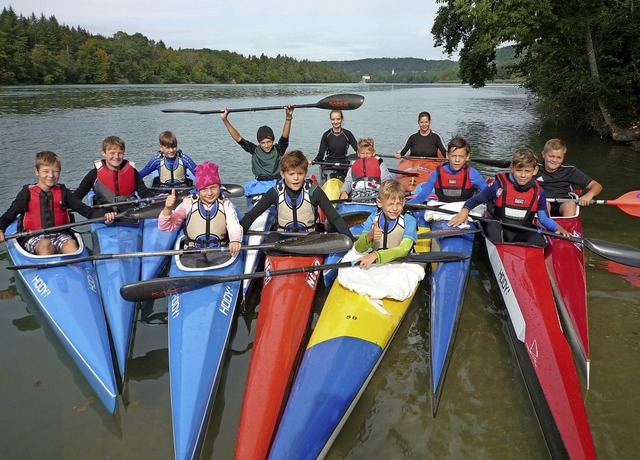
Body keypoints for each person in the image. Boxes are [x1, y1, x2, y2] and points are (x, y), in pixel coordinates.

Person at [448, 147, 572, 247]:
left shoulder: (539, 192)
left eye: (528, 171)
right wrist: (465, 211)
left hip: (522, 232)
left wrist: (558, 227)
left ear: (535, 171)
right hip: (498, 228)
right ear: (512, 168)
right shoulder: (498, 186)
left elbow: (544, 219)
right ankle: (501, 251)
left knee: (538, 239)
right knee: (492, 226)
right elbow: (476, 199)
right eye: (519, 171)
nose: (523, 175)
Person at [0, 151, 116, 255]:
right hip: (34, 237)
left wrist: (104, 216)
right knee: (45, 245)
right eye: (46, 171)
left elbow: (86, 211)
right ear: (37, 172)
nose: (51, 176)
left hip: (61, 235)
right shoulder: (26, 193)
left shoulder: (64, 192)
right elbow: (9, 215)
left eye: (55, 171)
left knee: (71, 245)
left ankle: (75, 271)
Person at [239, 150, 355, 240]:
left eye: (300, 173)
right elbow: (251, 216)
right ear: (283, 174)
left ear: (305, 173)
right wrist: (234, 239)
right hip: (283, 238)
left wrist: (351, 240)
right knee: (271, 238)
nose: (296, 178)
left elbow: (334, 218)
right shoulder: (274, 192)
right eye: (291, 174)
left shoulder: (314, 192)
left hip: (308, 239)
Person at [159, 161, 242, 260]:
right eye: (204, 189)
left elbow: (234, 225)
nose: (209, 193)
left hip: (220, 251)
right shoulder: (188, 203)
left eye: (213, 188)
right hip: (192, 253)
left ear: (219, 187)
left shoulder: (225, 204)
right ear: (198, 190)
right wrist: (167, 209)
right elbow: (165, 226)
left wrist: (235, 240)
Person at [74, 135, 154, 209]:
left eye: (120, 153)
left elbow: (143, 192)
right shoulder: (94, 174)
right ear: (104, 154)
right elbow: (77, 196)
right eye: (112, 153)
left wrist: (153, 199)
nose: (116, 157)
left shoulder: (132, 172)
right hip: (104, 212)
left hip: (128, 210)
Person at [353, 179, 418, 268]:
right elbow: (359, 248)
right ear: (379, 203)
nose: (395, 208)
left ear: (403, 203)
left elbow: (404, 249)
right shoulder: (373, 218)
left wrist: (376, 255)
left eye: (398, 204)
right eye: (390, 204)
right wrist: (370, 236)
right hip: (377, 264)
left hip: (401, 265)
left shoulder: (409, 221)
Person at [220, 105, 294, 181]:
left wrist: (288, 117)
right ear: (259, 142)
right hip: (260, 183)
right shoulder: (254, 150)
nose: (266, 145)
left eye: (269, 142)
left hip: (277, 182)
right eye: (263, 143)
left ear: (273, 141)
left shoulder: (278, 149)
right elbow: (238, 138)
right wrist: (225, 120)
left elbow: (285, 136)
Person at [407, 136, 488, 204]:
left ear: (467, 157)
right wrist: (403, 206)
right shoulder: (437, 174)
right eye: (453, 156)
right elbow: (420, 198)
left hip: (465, 212)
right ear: (447, 155)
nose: (457, 160)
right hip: (443, 210)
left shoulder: (472, 174)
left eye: (461, 156)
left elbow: (489, 195)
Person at [536, 138, 603, 217]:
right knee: (544, 203)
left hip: (564, 204)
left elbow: (597, 186)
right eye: (551, 156)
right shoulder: (535, 169)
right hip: (543, 204)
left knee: (570, 204)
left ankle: (567, 227)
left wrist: (589, 195)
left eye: (559, 157)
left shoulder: (570, 170)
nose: (554, 160)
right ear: (543, 154)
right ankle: (546, 225)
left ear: (563, 157)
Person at [311, 110, 358, 181]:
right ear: (330, 120)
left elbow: (358, 150)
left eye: (338, 119)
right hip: (329, 165)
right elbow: (320, 154)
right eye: (333, 119)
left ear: (342, 119)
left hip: (343, 165)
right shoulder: (326, 135)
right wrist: (314, 161)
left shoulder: (348, 134)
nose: (335, 122)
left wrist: (367, 158)